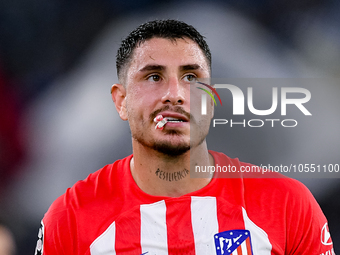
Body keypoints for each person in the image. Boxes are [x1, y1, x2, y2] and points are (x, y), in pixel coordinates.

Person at [35, 19, 335, 255]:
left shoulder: (288, 205)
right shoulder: (71, 217)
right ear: (121, 100)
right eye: (154, 78)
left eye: (191, 78)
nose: (175, 95)